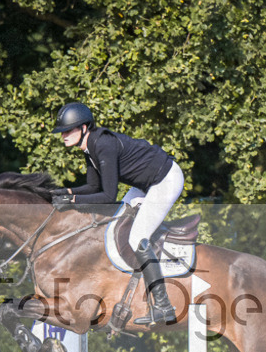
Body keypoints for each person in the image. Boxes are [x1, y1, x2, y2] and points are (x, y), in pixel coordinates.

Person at [50, 102, 183, 326]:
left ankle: (163, 307)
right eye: (62, 131)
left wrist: (72, 201)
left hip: (165, 179)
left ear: (84, 128)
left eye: (68, 130)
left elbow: (108, 196)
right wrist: (64, 192)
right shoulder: (89, 148)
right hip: (144, 184)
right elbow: (93, 187)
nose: (62, 135)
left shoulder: (103, 145)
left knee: (136, 237)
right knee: (113, 227)